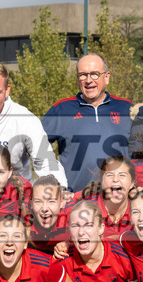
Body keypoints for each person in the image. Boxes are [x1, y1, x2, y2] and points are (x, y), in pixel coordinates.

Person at [41, 53, 133, 191]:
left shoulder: (126, 108)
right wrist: (54, 179)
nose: (88, 80)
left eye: (95, 74)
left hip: (119, 199)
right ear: (78, 79)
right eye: (83, 75)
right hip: (77, 201)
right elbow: (35, 144)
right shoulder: (62, 109)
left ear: (106, 77)